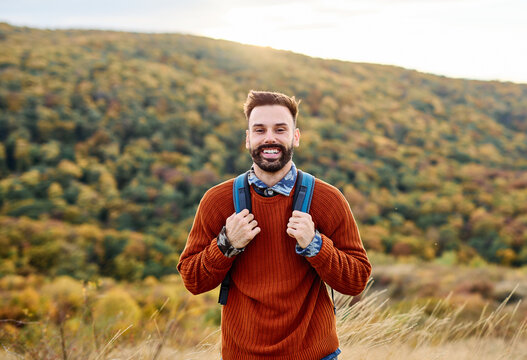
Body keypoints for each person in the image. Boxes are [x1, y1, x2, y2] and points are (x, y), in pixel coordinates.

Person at [177, 90, 371, 360]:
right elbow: (192, 280)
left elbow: (357, 280)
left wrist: (315, 245)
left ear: (296, 136)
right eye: (259, 130)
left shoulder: (328, 199)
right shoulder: (217, 201)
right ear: (248, 139)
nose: (270, 138)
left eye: (280, 129)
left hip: (314, 355)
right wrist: (226, 244)